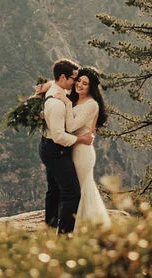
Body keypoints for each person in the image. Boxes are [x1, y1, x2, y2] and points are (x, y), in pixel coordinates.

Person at [39, 59, 94, 233]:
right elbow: (58, 136)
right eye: (74, 78)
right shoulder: (57, 103)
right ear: (63, 78)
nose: (76, 82)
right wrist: (80, 140)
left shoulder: (58, 90)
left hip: (48, 147)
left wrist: (48, 84)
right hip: (56, 149)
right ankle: (64, 235)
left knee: (54, 190)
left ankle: (50, 228)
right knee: (72, 193)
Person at [63, 66, 111, 230]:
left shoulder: (91, 104)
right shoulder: (75, 100)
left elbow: (71, 126)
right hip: (74, 148)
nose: (80, 85)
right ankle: (79, 226)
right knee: (77, 190)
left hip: (82, 153)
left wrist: (66, 103)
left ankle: (84, 228)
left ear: (91, 87)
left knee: (82, 190)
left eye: (85, 83)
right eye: (79, 81)